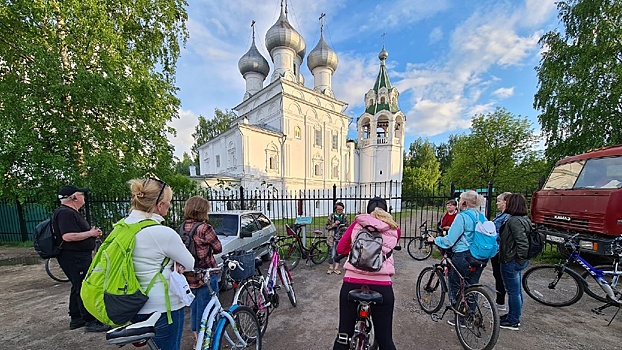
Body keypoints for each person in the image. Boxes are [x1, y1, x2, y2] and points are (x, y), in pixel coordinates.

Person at [126, 178, 195, 350]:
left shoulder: (123, 227)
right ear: (160, 205)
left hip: (133, 304)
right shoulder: (162, 232)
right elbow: (190, 263)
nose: (170, 206)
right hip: (163, 308)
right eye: (169, 202)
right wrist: (176, 262)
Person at [333, 197, 400, 350]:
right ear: (386, 210)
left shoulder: (357, 224)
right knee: (385, 341)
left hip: (352, 282)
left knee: (343, 336)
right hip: (382, 286)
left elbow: (341, 249)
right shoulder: (394, 227)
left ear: (368, 210)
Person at [53, 185, 110, 332]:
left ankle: (76, 318)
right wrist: (90, 234)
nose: (83, 197)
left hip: (76, 255)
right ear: (74, 197)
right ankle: (90, 321)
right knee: (83, 287)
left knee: (77, 285)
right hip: (73, 256)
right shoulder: (65, 213)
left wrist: (91, 233)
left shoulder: (70, 212)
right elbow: (67, 236)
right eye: (81, 194)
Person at [432, 190, 487, 326]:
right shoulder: (481, 217)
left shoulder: (462, 217)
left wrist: (435, 240)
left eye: (460, 200)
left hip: (463, 255)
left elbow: (450, 240)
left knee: (455, 284)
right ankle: (469, 315)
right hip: (480, 256)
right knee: (472, 285)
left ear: (464, 202)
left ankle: (460, 316)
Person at [179, 196, 222, 341]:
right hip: (206, 275)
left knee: (195, 308)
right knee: (209, 309)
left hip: (188, 275)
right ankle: (209, 340)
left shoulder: (182, 227)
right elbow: (218, 248)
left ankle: (198, 338)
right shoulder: (205, 228)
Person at [498, 193, 531, 331]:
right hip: (514, 260)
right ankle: (513, 315)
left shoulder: (514, 221)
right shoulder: (524, 219)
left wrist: (518, 260)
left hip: (511, 260)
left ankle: (513, 320)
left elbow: (522, 243)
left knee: (513, 291)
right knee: (516, 291)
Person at [488, 192, 513, 312]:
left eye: (499, 201)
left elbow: (501, 234)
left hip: (500, 250)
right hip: (495, 249)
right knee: (497, 276)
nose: (497, 203)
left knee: (500, 276)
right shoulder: (500, 215)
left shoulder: (507, 217)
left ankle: (500, 302)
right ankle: (499, 301)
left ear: (506, 202)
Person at [326, 201, 348, 275]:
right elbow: (327, 226)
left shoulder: (344, 216)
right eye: (338, 209)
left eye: (341, 210)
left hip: (340, 237)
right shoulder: (331, 216)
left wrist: (343, 227)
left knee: (338, 253)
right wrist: (334, 224)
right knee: (331, 253)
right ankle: (330, 268)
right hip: (332, 237)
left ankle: (336, 268)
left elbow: (347, 227)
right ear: (336, 209)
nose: (340, 211)